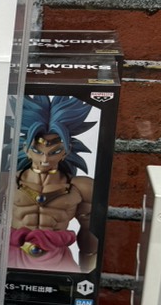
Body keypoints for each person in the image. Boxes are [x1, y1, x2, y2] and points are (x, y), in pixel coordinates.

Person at [9, 94, 97, 272]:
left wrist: (86, 276)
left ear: (66, 151)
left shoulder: (81, 188)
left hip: (59, 262)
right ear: (26, 149)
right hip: (12, 259)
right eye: (37, 150)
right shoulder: (7, 182)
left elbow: (89, 237)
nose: (45, 159)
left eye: (54, 152)